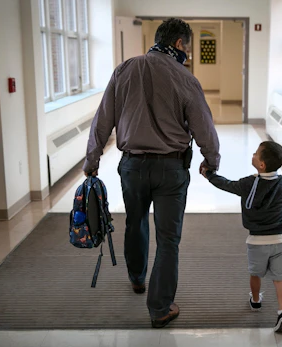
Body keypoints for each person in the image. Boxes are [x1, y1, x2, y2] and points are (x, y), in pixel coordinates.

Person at [83, 18, 220, 328]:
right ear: (180, 44)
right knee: (169, 239)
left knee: (135, 220)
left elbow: (102, 119)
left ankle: (136, 277)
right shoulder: (186, 79)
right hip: (172, 169)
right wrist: (211, 160)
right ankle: (159, 308)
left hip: (132, 166)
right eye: (188, 45)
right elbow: (204, 127)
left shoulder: (124, 69)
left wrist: (92, 159)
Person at [201, 141, 282, 333]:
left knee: (255, 273)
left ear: (261, 165)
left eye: (256, 153)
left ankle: (256, 300)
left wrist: (208, 174)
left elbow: (226, 184)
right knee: (280, 278)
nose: (252, 154)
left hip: (257, 240)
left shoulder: (249, 183)